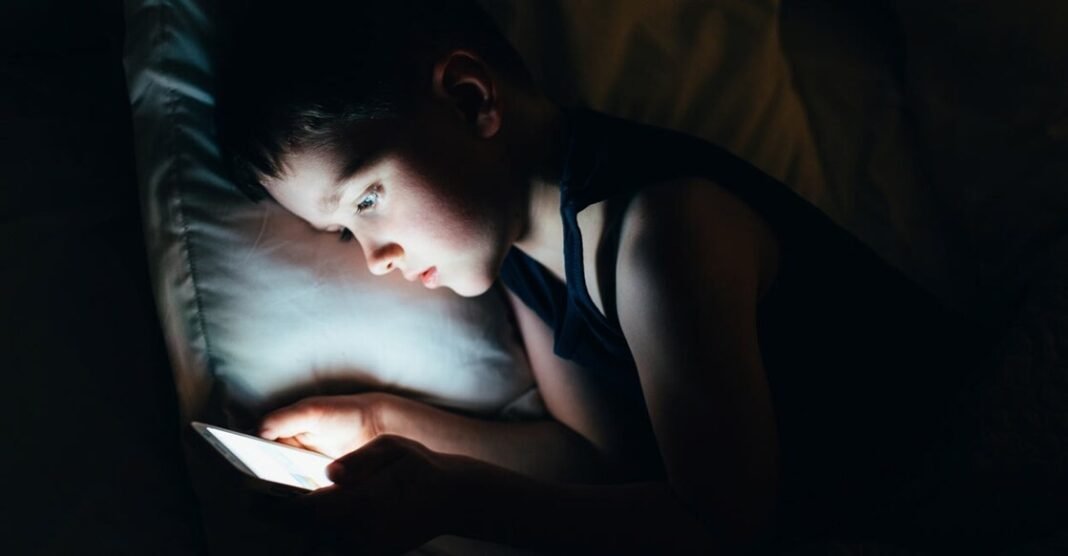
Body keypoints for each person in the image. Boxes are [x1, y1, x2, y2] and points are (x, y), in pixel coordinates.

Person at [216, 1, 989, 553]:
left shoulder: (665, 237)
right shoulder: (524, 262)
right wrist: (380, 428)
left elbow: (719, 526)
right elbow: (592, 455)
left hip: (959, 465)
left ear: (470, 100)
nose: (374, 256)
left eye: (367, 200)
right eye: (344, 232)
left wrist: (457, 502)